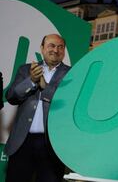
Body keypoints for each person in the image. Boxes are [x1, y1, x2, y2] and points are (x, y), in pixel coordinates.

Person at [5, 34, 70, 182]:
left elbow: (67, 104)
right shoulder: (26, 69)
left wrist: (43, 87)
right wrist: (31, 81)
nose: (56, 50)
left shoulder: (71, 74)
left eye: (60, 47)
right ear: (42, 48)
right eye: (51, 45)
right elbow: (11, 97)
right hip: (22, 142)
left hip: (52, 144)